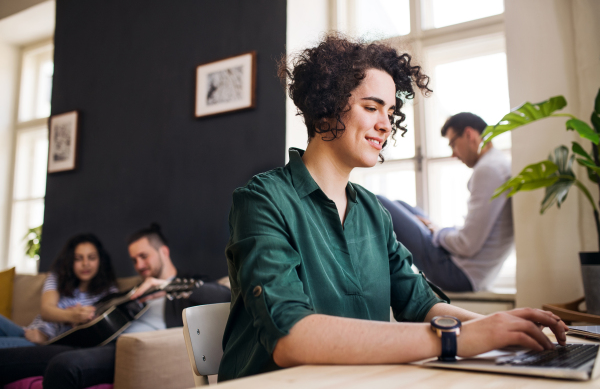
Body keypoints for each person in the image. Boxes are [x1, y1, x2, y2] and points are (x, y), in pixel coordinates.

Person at [217, 33, 566, 382]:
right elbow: (290, 337)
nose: (386, 125)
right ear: (324, 109)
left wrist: (501, 326)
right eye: (371, 108)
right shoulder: (262, 200)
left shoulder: (373, 212)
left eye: (390, 111)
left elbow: (420, 304)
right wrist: (457, 338)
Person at [0, 223, 231, 389]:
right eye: (134, 260)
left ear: (163, 251)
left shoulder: (188, 284)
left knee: (64, 367)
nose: (139, 265)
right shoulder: (132, 293)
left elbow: (226, 295)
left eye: (144, 256)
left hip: (123, 350)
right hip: (89, 342)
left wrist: (166, 285)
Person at [377, 112, 513, 292]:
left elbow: (467, 244)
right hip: (467, 269)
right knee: (401, 205)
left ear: (469, 134)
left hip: (458, 273)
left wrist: (438, 233)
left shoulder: (489, 169)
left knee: (380, 203)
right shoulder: (498, 163)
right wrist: (437, 230)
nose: (454, 154)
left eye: (453, 144)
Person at [0, 234, 118, 348]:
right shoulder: (57, 277)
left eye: (91, 258)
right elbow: (47, 310)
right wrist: (73, 316)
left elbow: (102, 327)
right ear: (70, 261)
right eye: (78, 259)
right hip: (30, 332)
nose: (85, 264)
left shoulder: (109, 291)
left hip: (47, 344)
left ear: (100, 260)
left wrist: (48, 336)